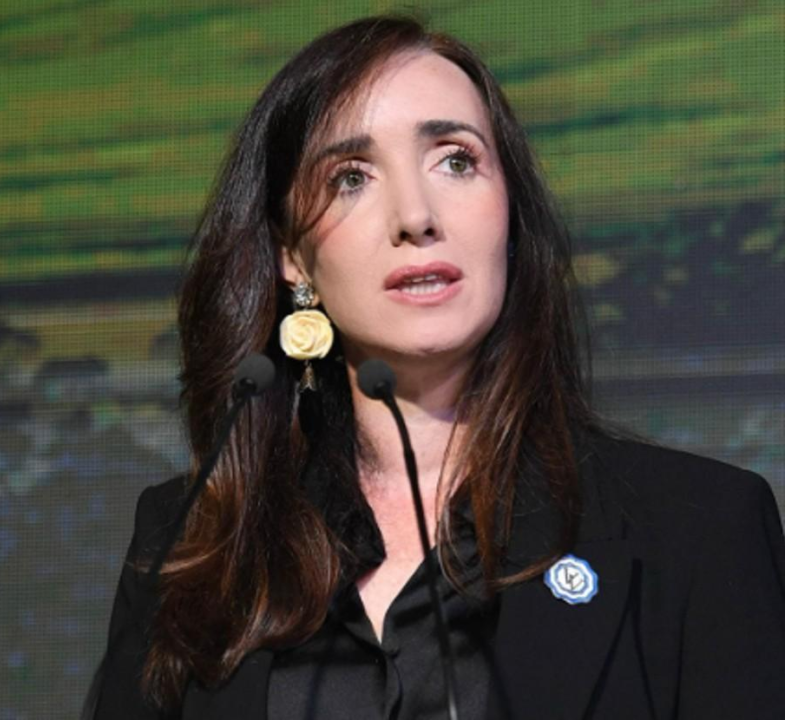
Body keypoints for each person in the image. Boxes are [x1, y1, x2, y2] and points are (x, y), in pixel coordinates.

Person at [86, 15, 785, 720]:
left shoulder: (700, 531)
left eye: (455, 160)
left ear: (508, 212)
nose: (415, 216)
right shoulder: (190, 539)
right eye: (350, 177)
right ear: (292, 258)